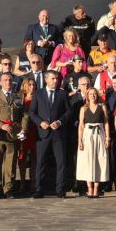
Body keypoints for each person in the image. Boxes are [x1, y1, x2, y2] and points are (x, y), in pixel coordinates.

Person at [29, 71, 72, 199]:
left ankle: (60, 189)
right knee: (40, 162)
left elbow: (69, 112)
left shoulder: (62, 93)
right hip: (43, 134)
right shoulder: (38, 93)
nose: (55, 81)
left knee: (61, 162)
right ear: (46, 79)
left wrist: (59, 122)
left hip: (58, 134)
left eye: (57, 79)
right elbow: (32, 112)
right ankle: (38, 189)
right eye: (53, 78)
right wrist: (40, 122)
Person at [0, 71, 24, 199]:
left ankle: (8, 188)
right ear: (0, 82)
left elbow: (24, 114)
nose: (8, 82)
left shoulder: (18, 95)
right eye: (5, 80)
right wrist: (0, 125)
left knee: (10, 164)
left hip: (12, 134)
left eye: (10, 80)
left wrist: (22, 129)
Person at [76, 87, 110, 198]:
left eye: (95, 93)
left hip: (99, 135)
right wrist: (80, 140)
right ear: (87, 95)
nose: (93, 96)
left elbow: (106, 123)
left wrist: (107, 138)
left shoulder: (102, 107)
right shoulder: (83, 109)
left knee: (99, 160)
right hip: (87, 136)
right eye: (90, 94)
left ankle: (96, 189)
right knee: (87, 161)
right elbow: (81, 125)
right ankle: (89, 188)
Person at [16, 77, 37, 195]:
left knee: (35, 157)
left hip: (35, 130)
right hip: (23, 130)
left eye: (33, 85)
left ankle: (33, 182)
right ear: (25, 85)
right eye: (29, 85)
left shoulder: (38, 96)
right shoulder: (20, 98)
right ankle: (23, 183)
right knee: (22, 157)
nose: (32, 87)